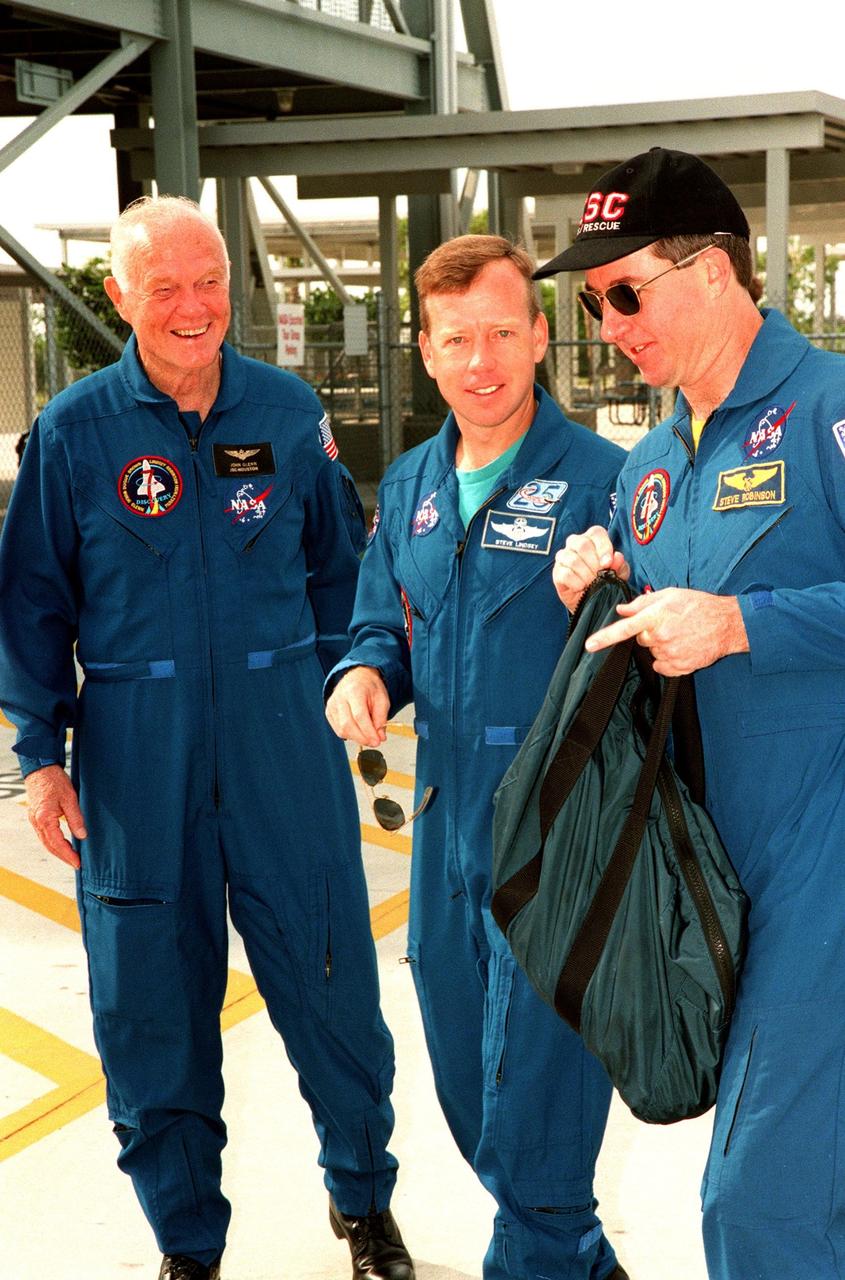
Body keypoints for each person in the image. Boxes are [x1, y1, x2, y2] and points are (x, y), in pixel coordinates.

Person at [0, 196, 414, 1280]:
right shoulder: (76, 434)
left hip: (284, 736)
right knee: (149, 1007)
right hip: (136, 749)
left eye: (210, 281)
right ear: (120, 295)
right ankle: (187, 1241)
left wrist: (353, 667)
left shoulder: (285, 411)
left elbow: (340, 567)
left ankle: (362, 1199)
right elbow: (32, 605)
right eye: (166, 286)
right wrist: (40, 755)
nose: (193, 308)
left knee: (332, 988)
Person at [542, 146, 845, 1279]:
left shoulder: (829, 409)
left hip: (826, 862)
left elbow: (733, 617)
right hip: (717, 875)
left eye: (625, 290)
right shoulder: (648, 468)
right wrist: (607, 583)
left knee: (757, 1201)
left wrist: (745, 621)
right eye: (590, 300)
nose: (608, 321)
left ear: (714, 270)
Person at [326, 234, 628, 1280]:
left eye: (503, 331)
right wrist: (360, 676)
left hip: (555, 825)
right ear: (423, 350)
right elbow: (383, 622)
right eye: (456, 337)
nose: (481, 358)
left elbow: (646, 657)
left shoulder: (603, 478)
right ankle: (575, 1259)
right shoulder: (408, 482)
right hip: (445, 820)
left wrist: (606, 595)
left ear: (540, 336)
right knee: (471, 1092)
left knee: (535, 1102)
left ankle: (544, 1258)